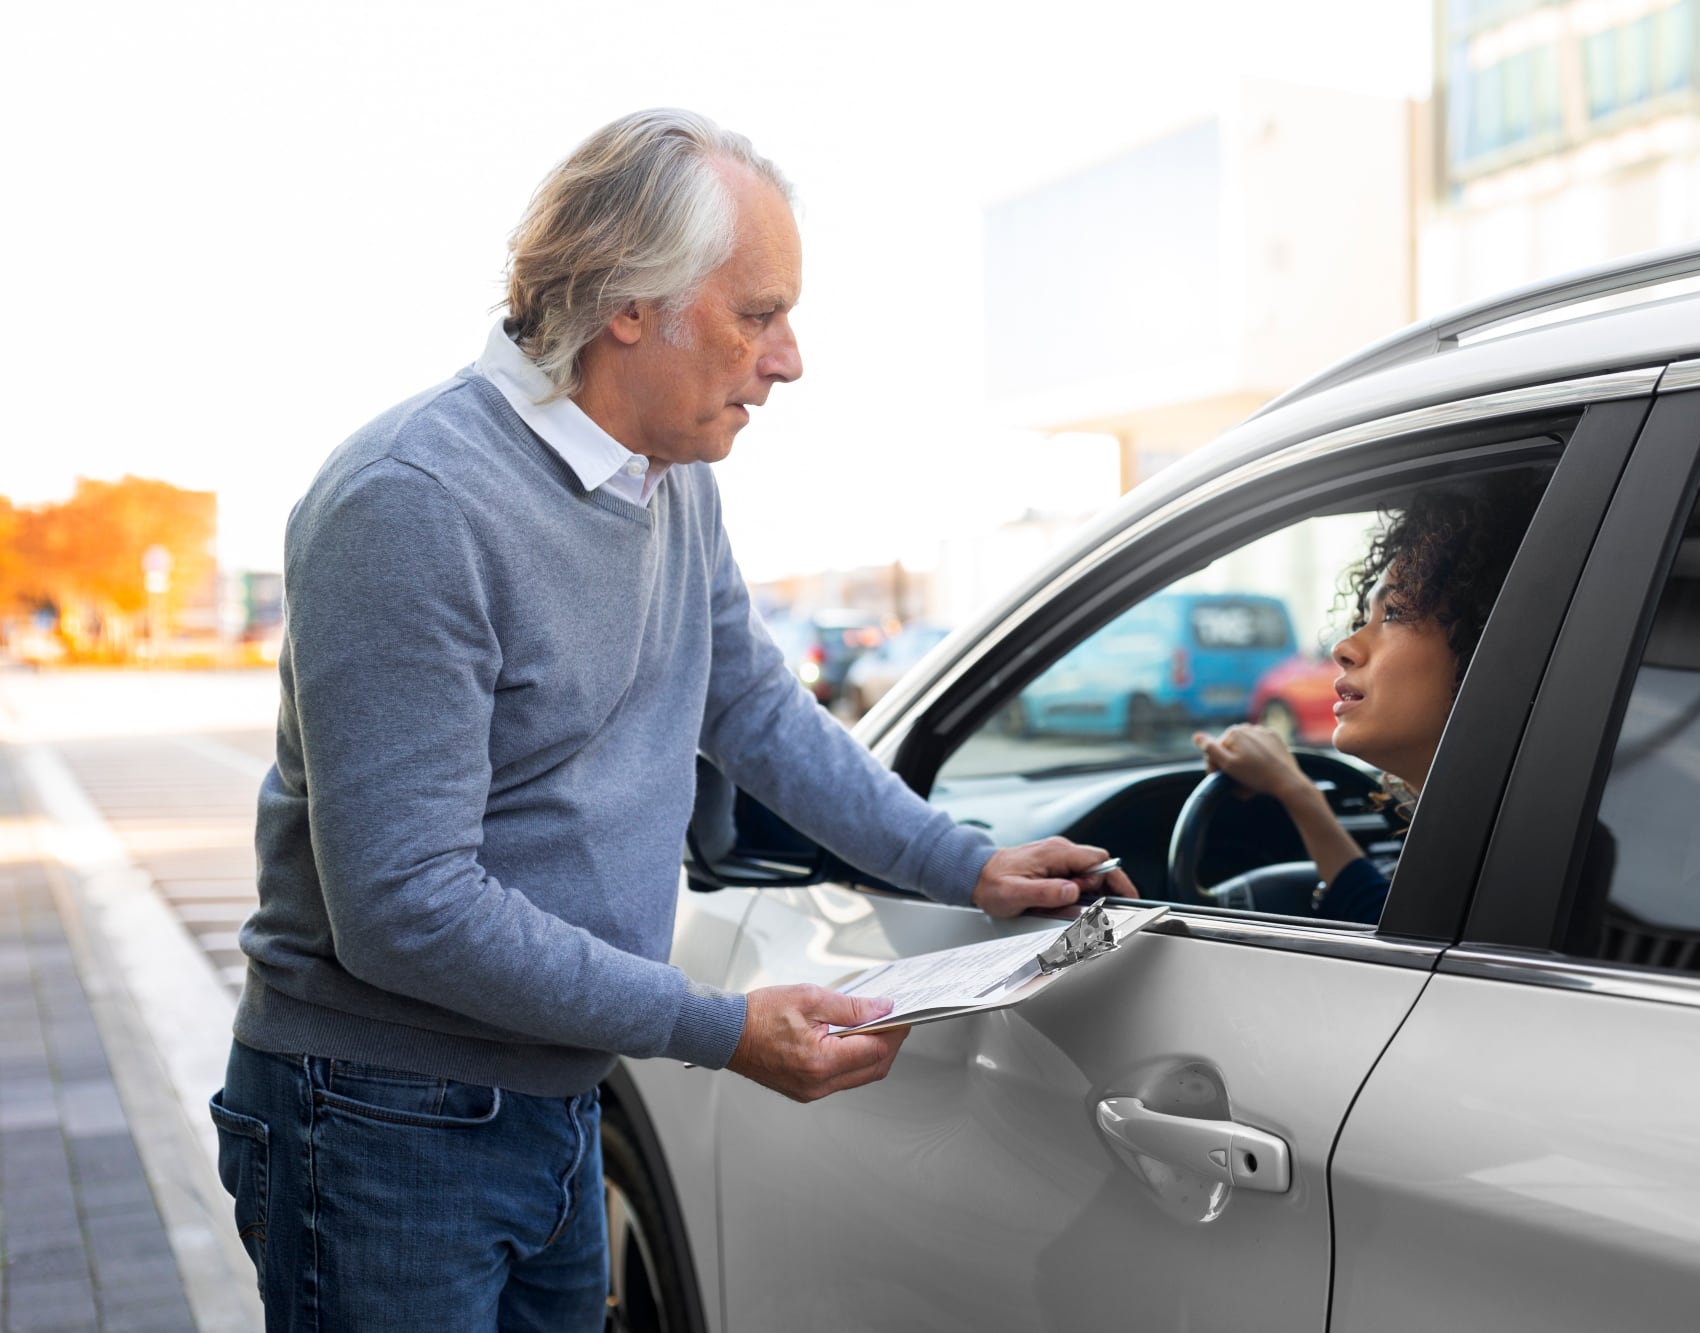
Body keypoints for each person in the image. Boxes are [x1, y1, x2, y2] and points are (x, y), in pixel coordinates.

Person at [209, 108, 1135, 1330]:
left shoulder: (669, 479)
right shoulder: (413, 504)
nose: (789, 358)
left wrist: (966, 861)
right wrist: (717, 1029)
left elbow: (752, 706)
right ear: (626, 304)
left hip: (551, 1096)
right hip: (386, 1117)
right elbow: (404, 908)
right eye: (757, 313)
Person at [1193, 475, 1542, 923]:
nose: (1344, 648)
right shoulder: (1514, 834)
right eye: (1365, 616)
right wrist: (1296, 791)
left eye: (1393, 613)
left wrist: (1295, 791)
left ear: (1484, 641)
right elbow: (1389, 914)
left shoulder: (1524, 852)